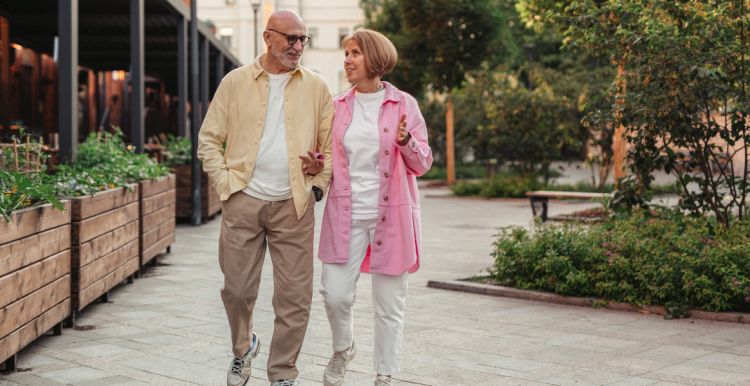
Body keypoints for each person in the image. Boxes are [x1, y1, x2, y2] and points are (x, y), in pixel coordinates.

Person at [197, 10, 333, 386]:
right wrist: (227, 184)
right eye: (290, 38)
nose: (297, 46)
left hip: (295, 204)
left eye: (303, 39)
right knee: (236, 289)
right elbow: (208, 140)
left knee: (294, 298)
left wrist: (317, 184)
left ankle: (283, 374)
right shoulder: (235, 82)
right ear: (268, 37)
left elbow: (331, 146)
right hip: (243, 199)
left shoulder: (317, 87)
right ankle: (243, 350)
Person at [317, 29, 433, 386]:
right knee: (334, 295)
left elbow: (423, 162)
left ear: (375, 59)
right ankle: (343, 347)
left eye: (355, 53)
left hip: (391, 217)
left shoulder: (404, 104)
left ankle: (385, 374)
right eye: (346, 53)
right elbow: (325, 159)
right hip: (345, 216)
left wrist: (407, 142)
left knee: (389, 305)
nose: (348, 60)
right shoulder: (336, 107)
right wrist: (314, 166)